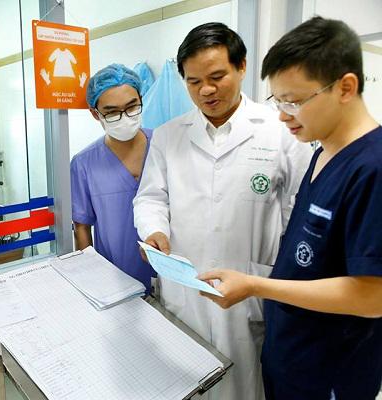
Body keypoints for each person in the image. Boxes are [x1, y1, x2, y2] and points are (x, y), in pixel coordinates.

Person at [199, 17, 382, 400]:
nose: (283, 115)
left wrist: (255, 285)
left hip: (330, 373)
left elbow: (373, 296)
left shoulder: (372, 167)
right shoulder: (321, 152)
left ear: (346, 87)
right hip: (292, 358)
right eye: (278, 101)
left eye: (295, 101)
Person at [133, 23, 312, 400]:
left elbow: (301, 215)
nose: (206, 90)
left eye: (216, 77)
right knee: (185, 382)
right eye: (194, 81)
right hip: (184, 291)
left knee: (245, 386)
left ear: (242, 67)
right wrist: (153, 230)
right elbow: (150, 198)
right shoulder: (168, 135)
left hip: (249, 293)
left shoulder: (280, 132)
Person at [70, 64, 154, 293]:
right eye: (112, 112)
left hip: (172, 279)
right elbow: (82, 228)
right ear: (95, 113)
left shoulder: (164, 146)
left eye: (132, 107)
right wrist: (91, 282)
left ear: (141, 100)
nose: (124, 118)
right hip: (116, 280)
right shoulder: (84, 163)